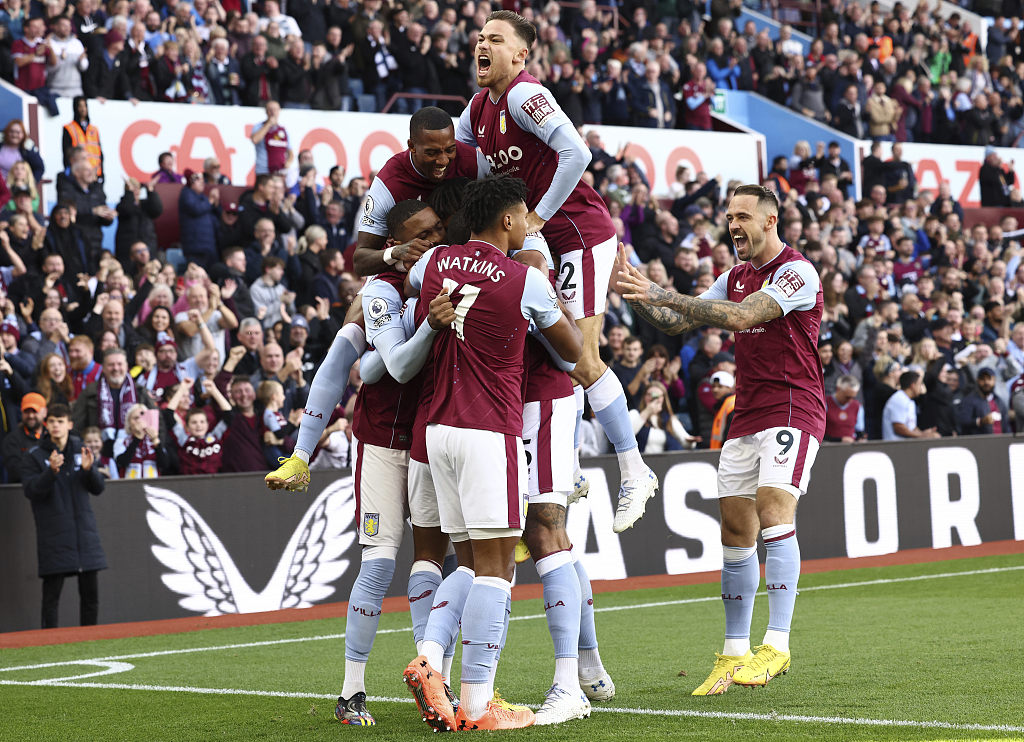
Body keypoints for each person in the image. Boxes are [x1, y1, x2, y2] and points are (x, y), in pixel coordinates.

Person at [616, 184, 825, 693]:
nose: (732, 225)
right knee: (735, 532)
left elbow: (740, 317)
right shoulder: (733, 275)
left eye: (743, 216)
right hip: (747, 415)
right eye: (728, 216)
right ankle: (734, 653)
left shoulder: (797, 272)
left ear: (770, 222)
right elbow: (676, 320)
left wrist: (665, 291)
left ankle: (776, 644)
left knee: (774, 510)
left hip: (793, 408)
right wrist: (637, 293)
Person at [457, 10, 657, 534]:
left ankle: (634, 468)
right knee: (544, 347)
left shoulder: (526, 95)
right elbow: (461, 167)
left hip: (580, 234)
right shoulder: (477, 108)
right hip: (540, 237)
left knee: (579, 356)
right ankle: (567, 465)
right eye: (480, 38)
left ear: (521, 54)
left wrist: (538, 217)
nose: (483, 45)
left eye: (495, 40)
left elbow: (577, 151)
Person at [403, 175, 582, 731]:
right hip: (490, 430)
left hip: (437, 431)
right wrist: (547, 307)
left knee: (470, 560)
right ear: (507, 220)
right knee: (498, 570)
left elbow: (406, 279)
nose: (531, 223)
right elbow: (573, 351)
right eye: (526, 215)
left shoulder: (434, 265)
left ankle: (430, 658)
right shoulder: (525, 278)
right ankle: (479, 704)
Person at [266, 106, 482, 491]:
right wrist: (393, 255)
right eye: (432, 152)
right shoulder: (389, 180)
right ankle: (300, 456)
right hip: (399, 275)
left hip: (454, 270)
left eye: (449, 150)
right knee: (348, 338)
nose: (443, 161)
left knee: (373, 368)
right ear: (410, 146)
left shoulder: (471, 160)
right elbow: (358, 257)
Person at [22, 403, 105, 629]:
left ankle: (90, 641)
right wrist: (51, 472)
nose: (55, 426)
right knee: (51, 599)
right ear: (46, 425)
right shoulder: (35, 456)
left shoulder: (81, 450)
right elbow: (31, 491)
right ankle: (49, 646)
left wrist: (90, 471)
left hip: (84, 537)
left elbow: (98, 489)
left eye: (60, 421)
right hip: (55, 537)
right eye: (51, 421)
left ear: (69, 424)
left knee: (90, 598)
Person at [882, 370, 939, 440]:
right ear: (913, 385)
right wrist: (921, 436)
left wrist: (924, 433)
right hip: (895, 447)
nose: (921, 388)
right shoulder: (899, 399)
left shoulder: (910, 401)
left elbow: (911, 427)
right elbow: (898, 427)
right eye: (920, 384)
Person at [956, 367, 1009, 435]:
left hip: (1000, 441)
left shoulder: (999, 401)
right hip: (979, 443)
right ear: (977, 381)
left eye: (989, 379)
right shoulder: (969, 400)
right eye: (982, 379)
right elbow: (962, 421)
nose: (986, 382)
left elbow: (1006, 426)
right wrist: (980, 421)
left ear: (994, 380)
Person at [251, 99, 292, 177]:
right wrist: (269, 124)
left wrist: (288, 162)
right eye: (270, 109)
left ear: (279, 111)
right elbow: (255, 139)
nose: (273, 112)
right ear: (266, 112)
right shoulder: (259, 126)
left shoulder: (283, 130)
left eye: (275, 109)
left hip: (280, 172)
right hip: (263, 171)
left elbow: (290, 151)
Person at [824, 374, 861, 442]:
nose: (850, 401)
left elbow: (859, 431)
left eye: (853, 397)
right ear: (838, 389)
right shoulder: (825, 403)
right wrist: (839, 440)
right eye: (847, 397)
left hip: (850, 448)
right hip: (828, 447)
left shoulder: (858, 406)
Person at [708, 370, 736, 449]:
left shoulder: (732, 405)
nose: (715, 390)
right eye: (713, 386)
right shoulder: (722, 405)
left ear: (730, 388)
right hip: (719, 454)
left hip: (727, 454)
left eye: (720, 386)